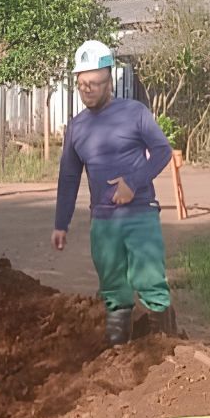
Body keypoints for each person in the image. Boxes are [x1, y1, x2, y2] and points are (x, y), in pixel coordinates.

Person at [51, 39, 180, 346]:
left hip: (140, 215)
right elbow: (69, 178)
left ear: (110, 80)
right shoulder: (77, 128)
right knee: (113, 290)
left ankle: (167, 354)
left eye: (95, 83)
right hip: (104, 223)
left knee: (150, 283)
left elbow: (162, 152)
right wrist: (61, 223)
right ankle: (118, 357)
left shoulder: (134, 112)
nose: (88, 90)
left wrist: (133, 182)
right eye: (82, 84)